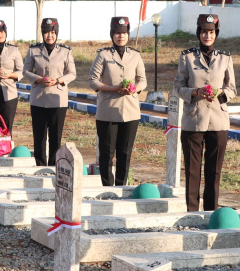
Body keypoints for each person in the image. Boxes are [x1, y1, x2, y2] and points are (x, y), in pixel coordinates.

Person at [173, 14, 236, 211]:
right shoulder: (187, 57)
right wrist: (195, 92)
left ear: (216, 34)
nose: (207, 36)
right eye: (203, 32)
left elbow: (232, 89)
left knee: (214, 170)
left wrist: (220, 93)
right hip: (194, 119)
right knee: (192, 170)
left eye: (211, 32)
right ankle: (192, 212)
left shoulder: (225, 58)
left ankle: (210, 211)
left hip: (218, 121)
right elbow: (178, 86)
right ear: (198, 33)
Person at [89, 17, 147, 186]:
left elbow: (142, 80)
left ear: (128, 35)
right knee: (107, 152)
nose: (120, 36)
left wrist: (134, 88)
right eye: (117, 33)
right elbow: (93, 81)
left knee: (125, 151)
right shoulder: (103, 55)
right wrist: (114, 88)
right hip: (108, 110)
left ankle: (122, 186)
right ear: (112, 35)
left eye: (123, 33)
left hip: (130, 110)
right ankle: (108, 186)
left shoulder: (135, 55)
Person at [23, 18, 76, 166]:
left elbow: (72, 73)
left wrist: (58, 80)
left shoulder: (66, 51)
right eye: (46, 32)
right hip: (38, 98)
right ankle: (40, 165)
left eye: (52, 32)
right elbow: (26, 71)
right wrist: (39, 79)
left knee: (55, 136)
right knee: (39, 136)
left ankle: (54, 166)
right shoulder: (34, 50)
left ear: (56, 33)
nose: (49, 36)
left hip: (58, 99)